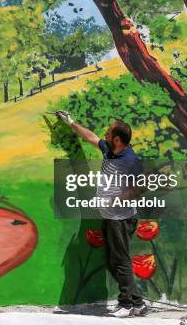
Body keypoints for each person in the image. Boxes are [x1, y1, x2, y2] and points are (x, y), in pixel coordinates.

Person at [56, 111, 148, 318]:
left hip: (121, 219)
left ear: (117, 139)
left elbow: (139, 189)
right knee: (112, 261)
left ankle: (127, 304)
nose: (104, 135)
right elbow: (89, 136)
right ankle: (137, 303)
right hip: (110, 217)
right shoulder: (109, 150)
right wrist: (71, 122)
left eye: (108, 133)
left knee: (121, 261)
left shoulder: (130, 161)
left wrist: (113, 201)